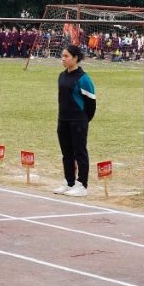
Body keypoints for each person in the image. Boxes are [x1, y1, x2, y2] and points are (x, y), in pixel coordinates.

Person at [53, 44, 96, 197]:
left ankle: (82, 185)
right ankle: (69, 181)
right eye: (62, 56)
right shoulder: (62, 76)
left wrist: (83, 120)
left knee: (80, 152)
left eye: (66, 56)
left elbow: (91, 103)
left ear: (75, 58)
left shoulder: (84, 78)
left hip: (78, 121)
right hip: (63, 120)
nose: (63, 59)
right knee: (67, 153)